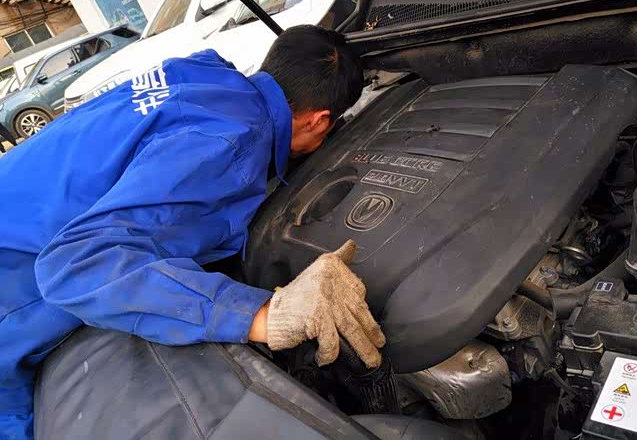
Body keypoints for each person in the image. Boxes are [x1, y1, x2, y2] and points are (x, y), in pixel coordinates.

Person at [0, 25, 385, 440]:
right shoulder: (227, 145)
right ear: (320, 120)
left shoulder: (202, 75)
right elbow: (76, 265)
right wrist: (262, 315)